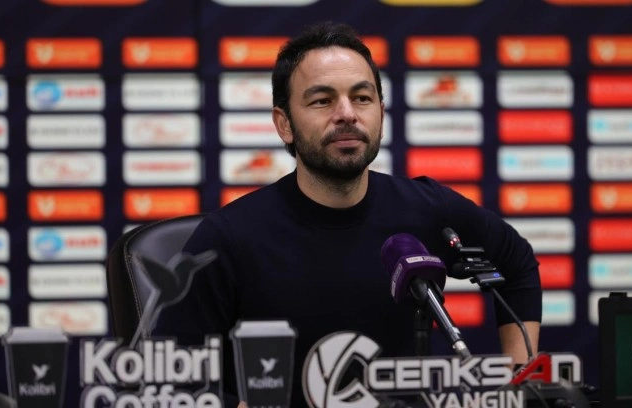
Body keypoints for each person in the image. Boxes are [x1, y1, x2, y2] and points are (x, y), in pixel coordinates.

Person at [154, 21, 541, 407]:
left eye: (362, 98)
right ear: (284, 124)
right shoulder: (228, 238)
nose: (346, 114)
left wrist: (517, 382)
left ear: (381, 114)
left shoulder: (427, 209)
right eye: (322, 101)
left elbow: (517, 262)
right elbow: (169, 378)